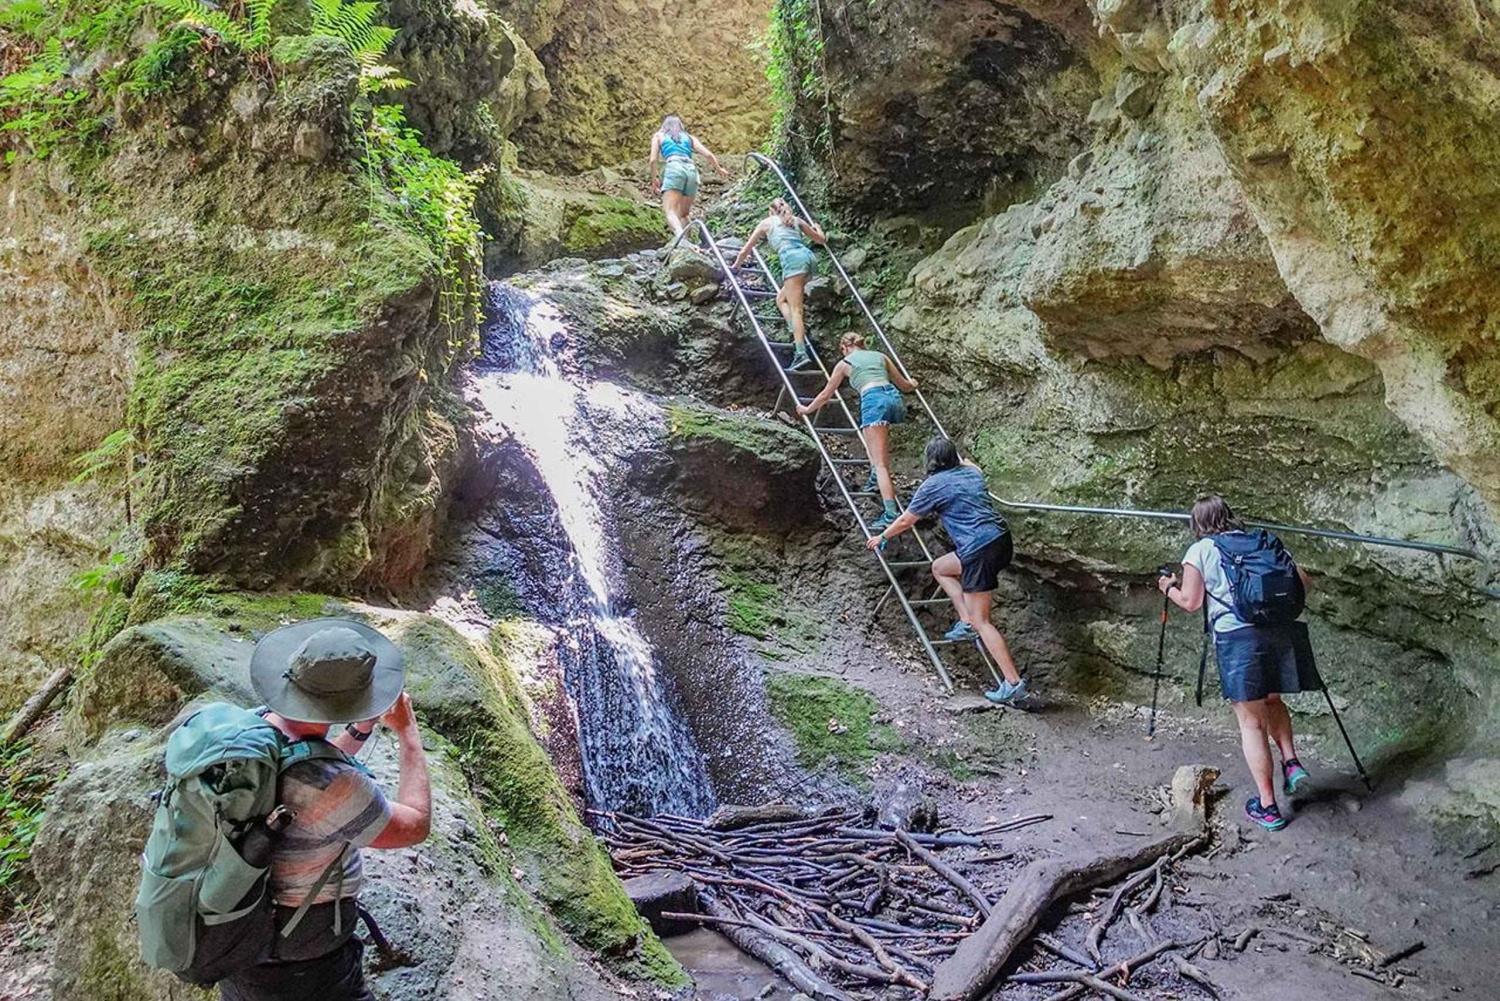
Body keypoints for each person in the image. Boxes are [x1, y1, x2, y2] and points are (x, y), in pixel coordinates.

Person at [222, 619, 432, 1001]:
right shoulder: (334, 785)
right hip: (302, 964)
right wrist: (408, 732)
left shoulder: (252, 729)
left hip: (231, 937)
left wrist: (359, 731)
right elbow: (415, 825)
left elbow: (305, 759)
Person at [1158, 494, 1317, 832]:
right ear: (1229, 516)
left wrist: (1168, 588)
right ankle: (1291, 762)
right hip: (1280, 634)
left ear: (1197, 524)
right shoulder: (1262, 541)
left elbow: (1191, 601)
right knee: (1273, 700)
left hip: (1239, 642)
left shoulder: (1201, 550)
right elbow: (1303, 582)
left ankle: (1268, 807)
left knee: (1251, 724)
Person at [867, 437, 1028, 704]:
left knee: (983, 621)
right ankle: (965, 620)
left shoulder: (932, 486)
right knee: (941, 567)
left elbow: (907, 519)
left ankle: (1012, 682)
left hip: (978, 548)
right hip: (1000, 540)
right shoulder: (972, 473)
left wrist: (882, 536)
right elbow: (969, 463)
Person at [797, 331, 918, 532]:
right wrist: (913, 383)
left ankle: (891, 514)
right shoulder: (880, 356)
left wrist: (807, 409)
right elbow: (905, 386)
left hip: (873, 401)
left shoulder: (845, 363)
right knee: (872, 444)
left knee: (881, 464)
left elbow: (826, 395)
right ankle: (873, 479)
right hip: (893, 399)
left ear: (844, 348)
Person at [733, 198, 826, 371]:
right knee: (781, 299)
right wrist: (818, 228)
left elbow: (746, 249)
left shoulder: (767, 222)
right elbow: (821, 239)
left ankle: (800, 353)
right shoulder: (797, 221)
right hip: (808, 259)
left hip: (792, 261)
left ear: (770, 211)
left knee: (797, 309)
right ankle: (797, 330)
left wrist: (736, 266)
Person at [648, 114, 728, 236]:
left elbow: (653, 160)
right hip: (691, 170)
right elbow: (708, 155)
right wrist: (719, 168)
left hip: (674, 168)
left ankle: (680, 236)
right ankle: (691, 241)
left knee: (670, 211)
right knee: (684, 214)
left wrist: (654, 179)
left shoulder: (659, 136)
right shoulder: (689, 137)